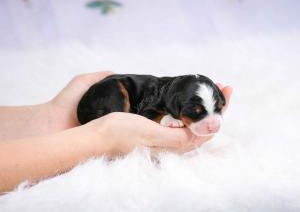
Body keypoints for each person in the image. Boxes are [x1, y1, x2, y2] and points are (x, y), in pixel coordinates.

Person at [0, 71, 232, 193]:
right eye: (198, 112)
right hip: (104, 98)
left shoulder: (176, 96)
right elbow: (147, 115)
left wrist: (50, 116)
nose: (212, 123)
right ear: (175, 104)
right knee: (114, 91)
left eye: (218, 109)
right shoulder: (163, 100)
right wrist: (103, 138)